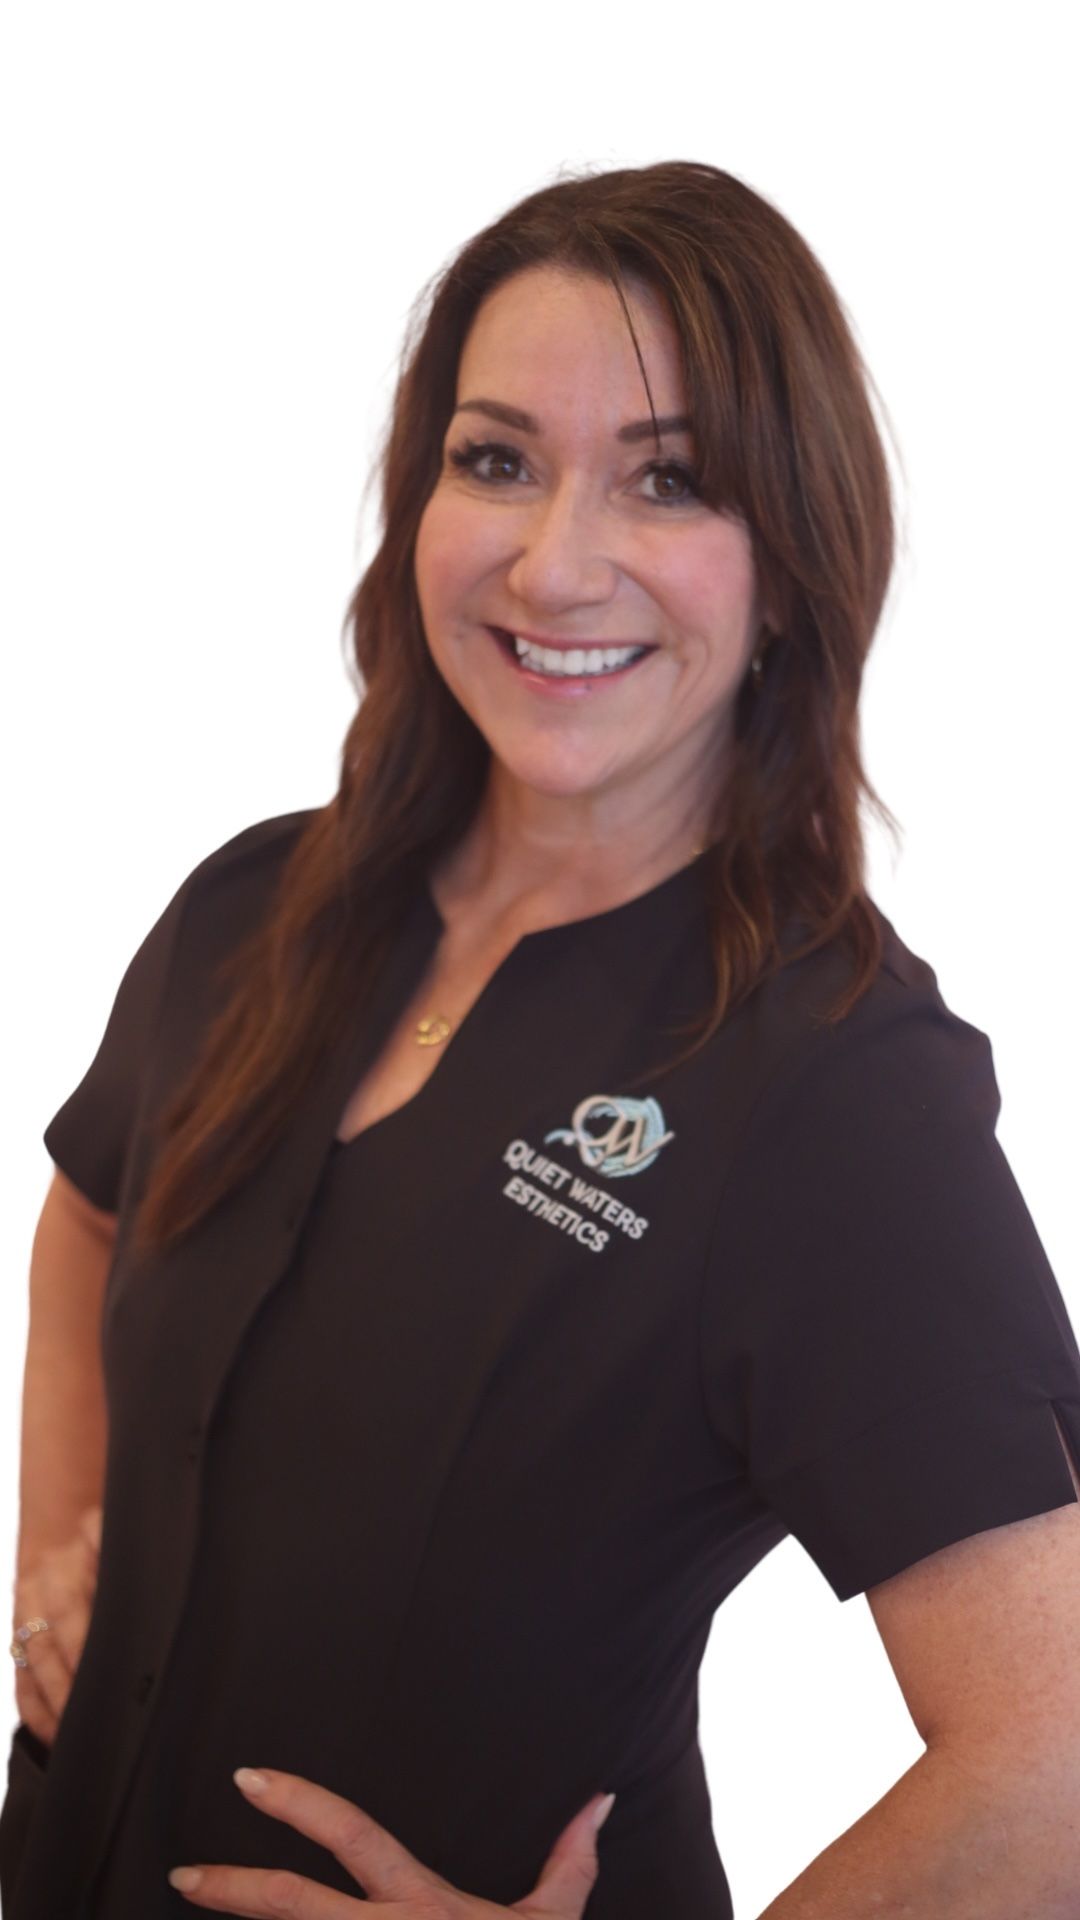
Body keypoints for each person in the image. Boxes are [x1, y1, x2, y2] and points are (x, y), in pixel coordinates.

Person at [4, 159, 1080, 1920]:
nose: (552, 560)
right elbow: (91, 1216)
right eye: (495, 459)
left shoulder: (832, 1082)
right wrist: (61, 1556)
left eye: (668, 482)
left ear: (792, 571)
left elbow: (1056, 1759)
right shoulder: (253, 909)